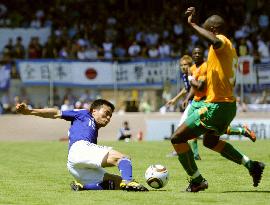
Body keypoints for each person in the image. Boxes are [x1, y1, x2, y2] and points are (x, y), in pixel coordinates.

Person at [170, 7, 265, 192]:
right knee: (210, 142)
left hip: (217, 105)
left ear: (213, 29)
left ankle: (197, 181)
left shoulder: (221, 41)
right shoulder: (229, 53)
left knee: (177, 138)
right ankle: (251, 165)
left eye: (206, 29)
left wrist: (193, 24)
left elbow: (214, 40)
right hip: (228, 105)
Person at [16, 99, 148, 191]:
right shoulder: (84, 114)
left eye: (110, 116)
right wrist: (29, 111)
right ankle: (129, 180)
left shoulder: (93, 129)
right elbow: (56, 113)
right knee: (123, 158)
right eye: (106, 113)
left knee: (116, 183)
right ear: (94, 110)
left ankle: (82, 186)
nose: (108, 118)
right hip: (79, 149)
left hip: (74, 166)